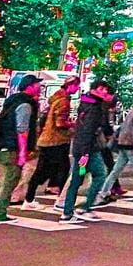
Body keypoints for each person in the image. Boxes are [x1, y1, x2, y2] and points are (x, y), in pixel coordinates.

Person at [0, 75, 42, 224]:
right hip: (12, 147)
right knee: (11, 179)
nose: (39, 88)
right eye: (37, 85)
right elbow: (22, 130)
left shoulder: (12, 101)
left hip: (4, 145)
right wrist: (23, 152)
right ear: (29, 86)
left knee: (9, 178)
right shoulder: (25, 105)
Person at [60, 80, 115, 223]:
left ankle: (68, 211)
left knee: (78, 179)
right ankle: (84, 207)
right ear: (96, 89)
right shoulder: (95, 107)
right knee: (99, 175)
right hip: (88, 150)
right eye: (102, 89)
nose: (105, 92)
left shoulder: (85, 103)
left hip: (81, 148)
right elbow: (88, 130)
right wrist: (85, 153)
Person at [26, 76, 79, 209]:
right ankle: (61, 199)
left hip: (47, 139)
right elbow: (60, 122)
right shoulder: (64, 101)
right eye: (76, 86)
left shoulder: (56, 99)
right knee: (62, 169)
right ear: (70, 86)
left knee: (44, 170)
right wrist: (73, 124)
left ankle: (29, 198)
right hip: (57, 140)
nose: (77, 89)